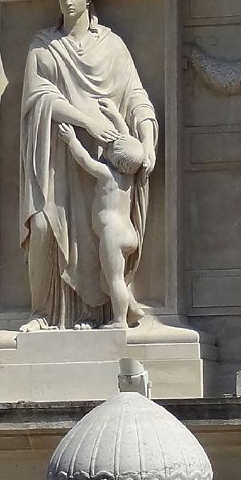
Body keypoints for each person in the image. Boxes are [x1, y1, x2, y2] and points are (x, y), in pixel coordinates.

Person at [19, 0, 158, 331]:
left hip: (105, 156)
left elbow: (136, 98)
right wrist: (85, 120)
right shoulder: (43, 44)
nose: (67, 1)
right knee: (45, 226)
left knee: (98, 239)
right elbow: (38, 96)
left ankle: (96, 315)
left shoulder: (112, 46)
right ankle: (43, 312)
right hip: (57, 154)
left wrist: (145, 142)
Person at [57, 122, 142, 329]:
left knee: (114, 280)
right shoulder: (128, 176)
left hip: (112, 233)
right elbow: (128, 140)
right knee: (111, 280)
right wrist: (115, 116)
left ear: (114, 157)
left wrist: (72, 140)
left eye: (110, 146)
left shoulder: (106, 174)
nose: (106, 146)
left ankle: (120, 320)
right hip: (128, 232)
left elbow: (86, 161)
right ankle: (133, 308)